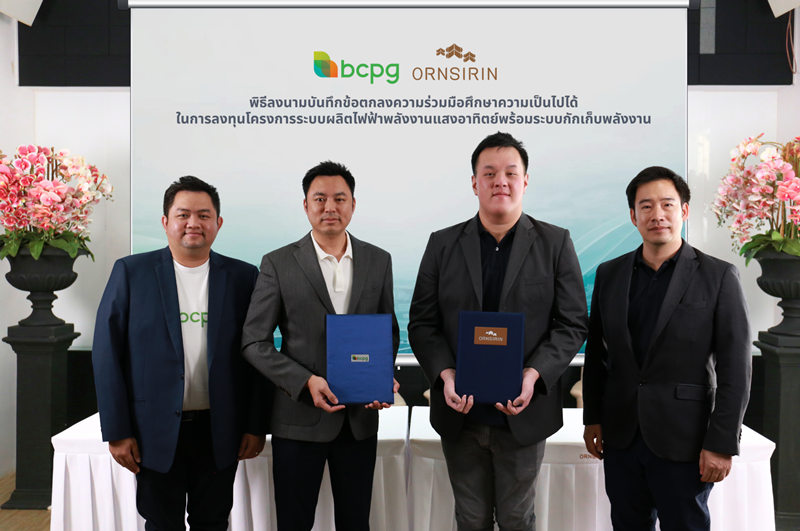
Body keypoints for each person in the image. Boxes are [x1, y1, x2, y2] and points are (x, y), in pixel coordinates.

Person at [408, 132, 589, 531]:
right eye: (489, 173)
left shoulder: (555, 243)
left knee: (517, 518)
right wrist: (446, 374)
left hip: (524, 411)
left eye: (510, 172)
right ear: (474, 183)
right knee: (470, 519)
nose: (500, 182)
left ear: (525, 181)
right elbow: (422, 322)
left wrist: (534, 374)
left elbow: (572, 322)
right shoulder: (442, 244)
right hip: (461, 411)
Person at [92, 176, 270, 531]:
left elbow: (259, 354)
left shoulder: (243, 277)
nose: (193, 223)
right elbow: (106, 352)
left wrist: (256, 425)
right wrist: (117, 430)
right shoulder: (131, 272)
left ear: (218, 222)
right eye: (183, 214)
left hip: (220, 429)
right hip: (151, 430)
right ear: (165, 221)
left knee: (213, 522)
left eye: (204, 215)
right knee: (161, 524)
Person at [582, 166, 752, 531]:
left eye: (667, 204)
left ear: (684, 210)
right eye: (646, 206)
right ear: (633, 216)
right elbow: (597, 353)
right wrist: (592, 417)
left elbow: (735, 368)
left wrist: (722, 442)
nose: (656, 214)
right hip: (621, 436)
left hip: (685, 439)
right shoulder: (609, 274)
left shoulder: (718, 276)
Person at [241, 160, 400, 531]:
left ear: (353, 205)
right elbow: (254, 341)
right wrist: (304, 381)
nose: (330, 207)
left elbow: (388, 331)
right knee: (294, 523)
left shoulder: (379, 260)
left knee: (355, 523)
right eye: (320, 199)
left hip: (359, 421)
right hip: (298, 420)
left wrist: (380, 377)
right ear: (306, 205)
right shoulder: (278, 263)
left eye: (340, 199)